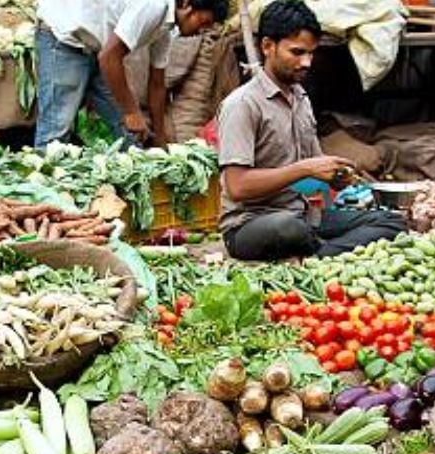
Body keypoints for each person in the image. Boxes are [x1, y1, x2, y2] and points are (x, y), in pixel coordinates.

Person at [217, 0, 407, 261]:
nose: (306, 62)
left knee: (390, 222)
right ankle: (325, 250)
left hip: (302, 215)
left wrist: (336, 178)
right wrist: (305, 169)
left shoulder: (301, 99)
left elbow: (313, 174)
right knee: (289, 229)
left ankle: (316, 256)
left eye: (310, 53)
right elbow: (237, 186)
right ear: (267, 46)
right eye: (297, 52)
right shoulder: (242, 104)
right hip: (251, 225)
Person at [35, 0, 228, 148]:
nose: (202, 31)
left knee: (131, 135)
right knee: (55, 134)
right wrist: (131, 112)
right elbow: (109, 57)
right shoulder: (154, 6)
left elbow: (157, 84)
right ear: (186, 4)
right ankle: (42, 194)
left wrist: (161, 139)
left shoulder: (166, 28)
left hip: (97, 47)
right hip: (64, 38)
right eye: (204, 22)